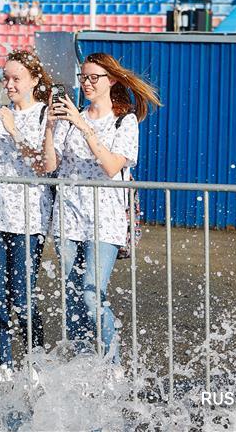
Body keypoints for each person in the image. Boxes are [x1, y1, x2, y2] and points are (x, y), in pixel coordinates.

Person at [42, 52, 161, 362]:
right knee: (71, 298)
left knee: (92, 296)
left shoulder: (126, 120)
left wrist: (83, 126)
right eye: (83, 77)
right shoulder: (71, 117)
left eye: (94, 77)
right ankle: (82, 364)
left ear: (112, 81)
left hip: (104, 220)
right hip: (68, 217)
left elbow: (111, 166)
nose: (87, 83)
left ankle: (113, 361)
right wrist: (51, 128)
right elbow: (50, 165)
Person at [0, 50, 53, 375]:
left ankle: (35, 362)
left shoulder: (44, 115)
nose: (9, 84)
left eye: (16, 78)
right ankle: (3, 364)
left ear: (34, 79)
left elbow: (42, 165)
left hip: (28, 217)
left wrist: (13, 129)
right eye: (5, 77)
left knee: (23, 295)